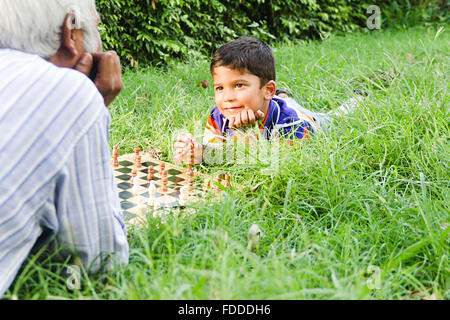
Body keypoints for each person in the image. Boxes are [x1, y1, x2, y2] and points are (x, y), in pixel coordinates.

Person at [0, 0, 129, 296]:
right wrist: (88, 106)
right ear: (70, 33)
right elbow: (99, 264)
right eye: (95, 27)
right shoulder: (67, 91)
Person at [174, 37, 365, 165]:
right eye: (220, 88)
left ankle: (357, 100)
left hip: (311, 122)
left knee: (335, 117)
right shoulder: (219, 115)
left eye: (239, 85)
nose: (227, 97)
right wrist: (196, 150)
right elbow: (214, 148)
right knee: (285, 102)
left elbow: (277, 162)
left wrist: (246, 133)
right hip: (271, 102)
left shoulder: (290, 125)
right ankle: (283, 97)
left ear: (267, 89)